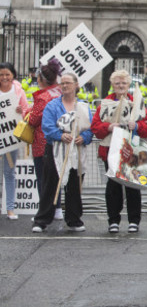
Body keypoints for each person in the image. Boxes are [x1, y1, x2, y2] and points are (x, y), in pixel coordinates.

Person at [91, 70, 147, 234]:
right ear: (112, 85)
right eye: (117, 83)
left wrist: (138, 126)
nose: (120, 86)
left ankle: (134, 220)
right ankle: (113, 220)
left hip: (132, 150)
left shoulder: (137, 103)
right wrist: (108, 127)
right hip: (110, 150)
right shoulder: (105, 104)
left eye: (123, 83)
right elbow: (95, 128)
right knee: (113, 187)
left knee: (133, 185)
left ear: (128, 85)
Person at [32, 73, 93, 233]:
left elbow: (89, 128)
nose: (64, 86)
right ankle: (42, 219)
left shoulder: (83, 106)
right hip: (55, 149)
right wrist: (60, 135)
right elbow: (47, 126)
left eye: (68, 83)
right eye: (62, 83)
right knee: (50, 184)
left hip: (76, 151)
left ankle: (74, 219)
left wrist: (83, 137)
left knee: (74, 184)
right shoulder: (52, 106)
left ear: (75, 85)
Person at [26, 60, 63, 218]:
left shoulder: (43, 97)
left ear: (41, 79)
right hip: (59, 141)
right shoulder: (60, 92)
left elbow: (33, 120)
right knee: (56, 177)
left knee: (43, 178)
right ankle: (58, 208)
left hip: (42, 142)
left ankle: (45, 211)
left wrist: (26, 113)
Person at [0, 62, 29, 220]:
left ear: (13, 75)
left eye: (7, 74)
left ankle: (10, 208)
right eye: (1, 74)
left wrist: (21, 110)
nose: (4, 77)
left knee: (9, 173)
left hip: (10, 138)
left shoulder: (18, 90)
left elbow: (26, 111)